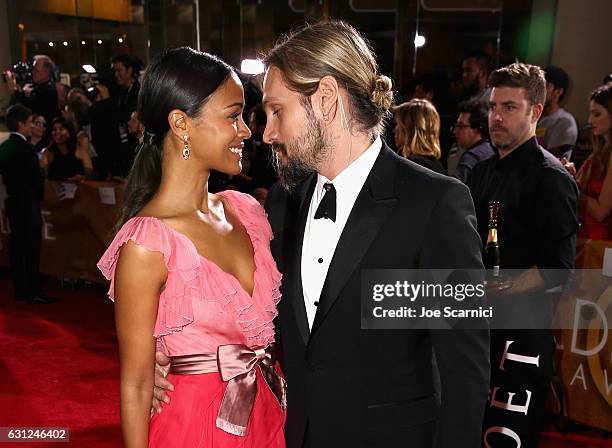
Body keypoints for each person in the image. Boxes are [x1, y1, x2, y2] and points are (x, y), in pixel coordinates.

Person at [153, 21, 490, 448]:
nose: (267, 132)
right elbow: (251, 319)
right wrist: (167, 359)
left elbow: (464, 369)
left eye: (278, 111)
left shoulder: (433, 203)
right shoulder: (281, 203)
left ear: (326, 99)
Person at [97, 47, 286, 448]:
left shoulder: (246, 212)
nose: (246, 131)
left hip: (267, 417)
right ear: (181, 123)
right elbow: (135, 385)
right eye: (232, 116)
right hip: (193, 429)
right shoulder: (148, 243)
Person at [467, 63, 579, 447]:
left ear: (536, 111)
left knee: (506, 437)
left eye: (510, 107)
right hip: (478, 329)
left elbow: (558, 269)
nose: (496, 117)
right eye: (494, 107)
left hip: (523, 339)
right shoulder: (480, 172)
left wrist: (498, 290)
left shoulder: (552, 179)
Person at [0, 104, 56, 304]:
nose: (33, 126)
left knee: (16, 247)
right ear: (22, 124)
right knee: (31, 248)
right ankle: (33, 290)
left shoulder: (5, 147)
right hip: (28, 203)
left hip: (12, 202)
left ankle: (19, 289)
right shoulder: (26, 149)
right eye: (31, 122)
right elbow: (35, 178)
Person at [575, 84, 612, 239]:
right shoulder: (599, 152)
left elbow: (600, 212)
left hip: (602, 245)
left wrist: (571, 188)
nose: (590, 120)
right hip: (587, 238)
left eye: (596, 115)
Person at [392, 98, 446, 174]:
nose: (394, 130)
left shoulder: (411, 166)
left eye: (398, 124)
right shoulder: (436, 166)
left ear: (409, 130)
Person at [536, 66, 578, 158]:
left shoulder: (565, 121)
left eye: (546, 86)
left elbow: (553, 159)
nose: (540, 90)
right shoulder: (535, 117)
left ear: (558, 92)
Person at [7, 55, 59, 127]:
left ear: (46, 73)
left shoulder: (48, 90)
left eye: (36, 70)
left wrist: (15, 90)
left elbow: (25, 109)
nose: (33, 72)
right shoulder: (37, 86)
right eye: (33, 69)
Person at [452, 99, 495, 184]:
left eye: (460, 126)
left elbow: (453, 189)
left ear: (476, 129)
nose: (455, 131)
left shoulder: (472, 157)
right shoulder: (491, 150)